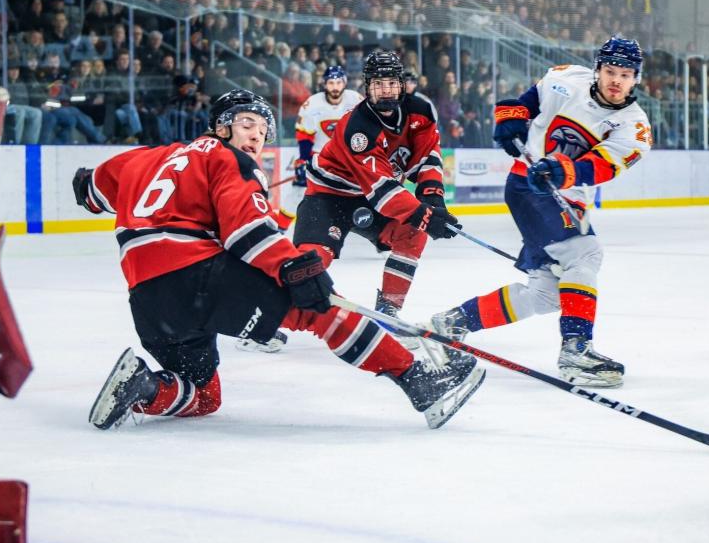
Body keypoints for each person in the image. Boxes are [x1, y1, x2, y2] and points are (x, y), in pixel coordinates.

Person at [77, 90, 484, 432]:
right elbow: (246, 231)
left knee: (204, 396)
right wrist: (297, 268)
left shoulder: (145, 158)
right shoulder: (229, 160)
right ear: (221, 127)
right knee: (321, 309)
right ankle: (420, 381)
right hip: (197, 278)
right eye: (247, 123)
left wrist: (86, 186)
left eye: (262, 129)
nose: (256, 135)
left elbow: (92, 190)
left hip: (149, 302)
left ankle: (144, 387)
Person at [429, 37, 653, 388]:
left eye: (625, 75)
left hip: (570, 199)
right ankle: (576, 350)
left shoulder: (634, 127)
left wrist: (563, 170)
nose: (616, 81)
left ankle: (452, 323)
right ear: (597, 69)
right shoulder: (566, 79)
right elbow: (529, 101)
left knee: (545, 295)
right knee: (585, 254)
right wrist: (511, 118)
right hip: (527, 186)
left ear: (636, 78)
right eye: (610, 71)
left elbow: (599, 166)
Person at [293, 50, 457, 342]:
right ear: (367, 87)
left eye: (392, 83)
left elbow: (428, 157)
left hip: (368, 199)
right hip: (328, 197)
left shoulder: (420, 112)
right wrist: (425, 215)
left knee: (413, 233)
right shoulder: (357, 127)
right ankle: (265, 322)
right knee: (310, 264)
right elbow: (381, 189)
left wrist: (433, 198)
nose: (386, 90)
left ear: (402, 84)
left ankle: (388, 311)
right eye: (378, 84)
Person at [287, 65, 362, 217]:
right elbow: (305, 135)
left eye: (338, 83)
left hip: (348, 159)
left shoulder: (356, 100)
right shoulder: (312, 103)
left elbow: (364, 129)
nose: (335, 87)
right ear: (324, 84)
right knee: (299, 190)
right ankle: (280, 226)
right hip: (319, 158)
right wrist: (304, 159)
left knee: (358, 191)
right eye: (331, 83)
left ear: (344, 83)